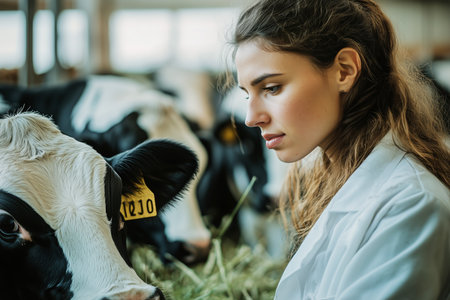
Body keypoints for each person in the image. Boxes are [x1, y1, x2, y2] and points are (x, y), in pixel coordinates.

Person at [230, 0, 450, 298]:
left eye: (271, 88)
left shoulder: (410, 206)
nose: (251, 118)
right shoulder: (334, 181)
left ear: (344, 71)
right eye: (247, 95)